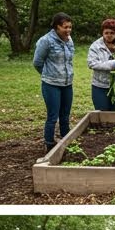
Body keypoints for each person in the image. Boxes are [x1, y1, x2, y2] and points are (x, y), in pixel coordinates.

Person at [32, 13, 75, 152]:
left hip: (67, 83)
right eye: (65, 27)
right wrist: (48, 75)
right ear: (57, 27)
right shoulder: (46, 41)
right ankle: (49, 143)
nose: (68, 30)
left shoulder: (69, 40)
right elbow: (37, 62)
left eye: (70, 27)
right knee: (53, 116)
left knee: (65, 115)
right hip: (51, 84)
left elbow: (69, 60)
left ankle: (66, 140)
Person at [87, 19, 115, 111]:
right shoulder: (96, 46)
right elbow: (92, 63)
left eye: (112, 33)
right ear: (102, 33)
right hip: (100, 86)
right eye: (106, 33)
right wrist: (113, 64)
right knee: (102, 114)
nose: (109, 35)